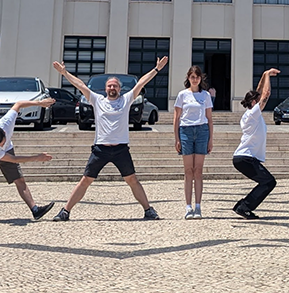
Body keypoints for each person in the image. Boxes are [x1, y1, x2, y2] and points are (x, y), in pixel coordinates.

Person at [51, 57, 168, 221]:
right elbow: (80, 85)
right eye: (109, 85)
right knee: (85, 180)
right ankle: (65, 211)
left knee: (132, 180)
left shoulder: (126, 100)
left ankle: (148, 210)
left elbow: (141, 83)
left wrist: (156, 70)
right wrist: (64, 73)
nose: (112, 87)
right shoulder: (97, 100)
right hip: (100, 150)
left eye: (115, 85)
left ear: (119, 88)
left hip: (121, 149)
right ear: (105, 88)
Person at [0, 98, 57, 223]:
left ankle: (35, 210)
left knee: (19, 179)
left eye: (1, 142)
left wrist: (39, 103)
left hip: (8, 151)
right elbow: (13, 159)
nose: (0, 145)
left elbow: (18, 104)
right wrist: (36, 157)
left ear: (4, 132)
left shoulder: (6, 122)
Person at [232, 68, 280, 219]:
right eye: (258, 100)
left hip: (243, 158)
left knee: (266, 182)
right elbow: (265, 95)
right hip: (246, 158)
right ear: (254, 102)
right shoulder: (253, 114)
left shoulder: (249, 114)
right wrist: (267, 76)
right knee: (269, 182)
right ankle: (243, 207)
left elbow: (259, 91)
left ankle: (242, 206)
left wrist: (264, 74)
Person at [173, 65, 213, 219]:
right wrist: (176, 138)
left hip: (202, 131)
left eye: (197, 77)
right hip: (186, 131)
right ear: (188, 78)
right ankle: (188, 206)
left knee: (199, 170)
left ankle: (198, 206)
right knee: (188, 170)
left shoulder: (205, 96)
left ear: (200, 78)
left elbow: (209, 118)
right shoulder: (182, 95)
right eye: (192, 77)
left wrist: (211, 139)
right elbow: (176, 117)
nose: (195, 79)